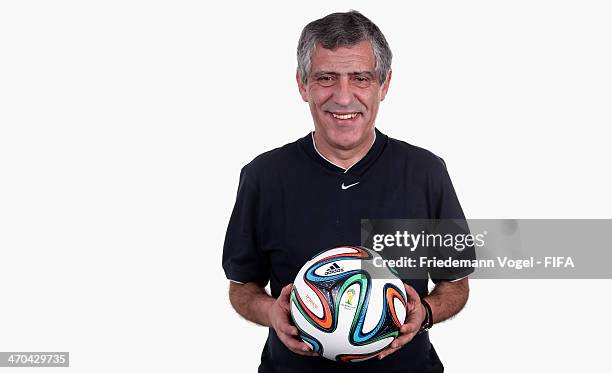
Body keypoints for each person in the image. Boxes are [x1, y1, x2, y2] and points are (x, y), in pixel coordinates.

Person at [222, 10, 475, 373]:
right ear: (302, 84)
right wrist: (270, 312)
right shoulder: (263, 176)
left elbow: (456, 283)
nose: (343, 97)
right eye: (326, 77)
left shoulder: (425, 172)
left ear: (384, 85)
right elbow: (242, 285)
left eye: (360, 78)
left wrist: (427, 312)